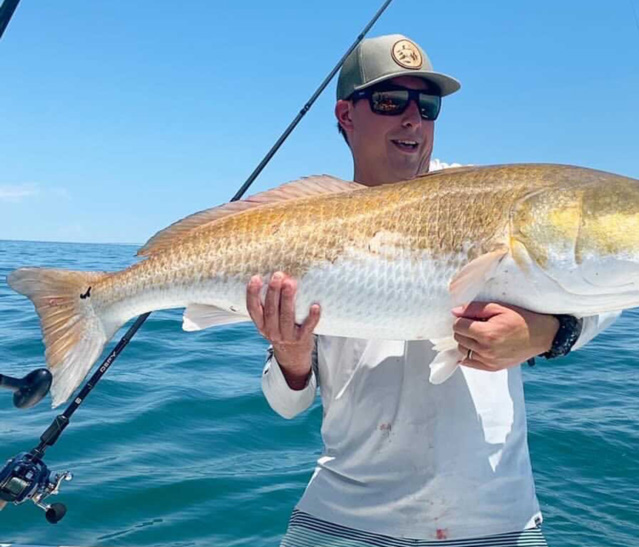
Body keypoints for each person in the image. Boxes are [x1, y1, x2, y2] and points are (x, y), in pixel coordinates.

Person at [246, 34, 618, 546]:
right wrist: (291, 355)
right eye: (390, 101)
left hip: (497, 525)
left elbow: (606, 282)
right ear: (346, 115)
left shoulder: (487, 200)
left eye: (427, 105)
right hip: (344, 521)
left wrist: (548, 332)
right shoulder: (300, 228)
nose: (412, 119)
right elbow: (287, 406)